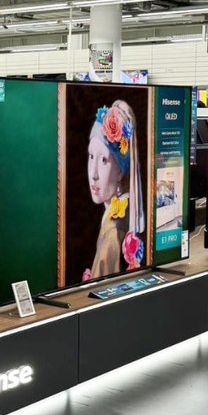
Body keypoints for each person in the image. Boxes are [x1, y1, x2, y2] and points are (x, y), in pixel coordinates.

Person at [83, 100, 145, 281]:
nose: (93, 174)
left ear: (120, 171)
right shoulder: (122, 208)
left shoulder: (114, 231)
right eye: (91, 156)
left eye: (103, 160)